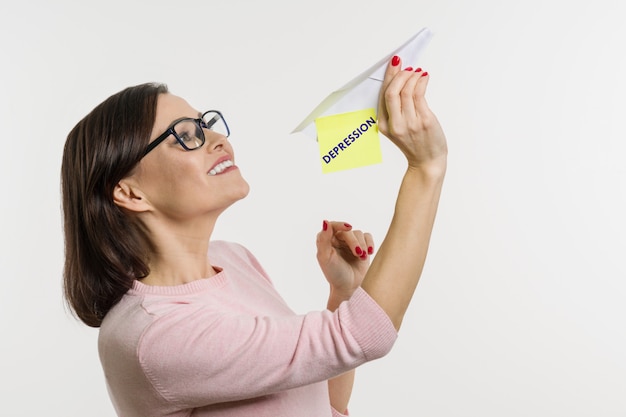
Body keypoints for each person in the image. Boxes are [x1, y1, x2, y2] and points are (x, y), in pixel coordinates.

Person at [61, 55, 447, 417]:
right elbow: (362, 336)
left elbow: (315, 400)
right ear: (129, 193)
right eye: (185, 135)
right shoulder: (152, 336)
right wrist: (425, 169)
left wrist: (343, 295)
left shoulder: (233, 259)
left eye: (205, 123)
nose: (217, 140)